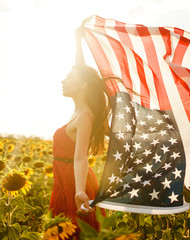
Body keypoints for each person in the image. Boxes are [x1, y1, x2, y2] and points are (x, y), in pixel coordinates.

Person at [49, 25, 110, 239]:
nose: (63, 81)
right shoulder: (79, 109)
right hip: (63, 180)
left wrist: (79, 191)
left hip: (75, 182)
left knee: (75, 232)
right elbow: (81, 69)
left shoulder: (84, 117)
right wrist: (78, 41)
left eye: (69, 78)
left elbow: (80, 157)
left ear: (83, 85)